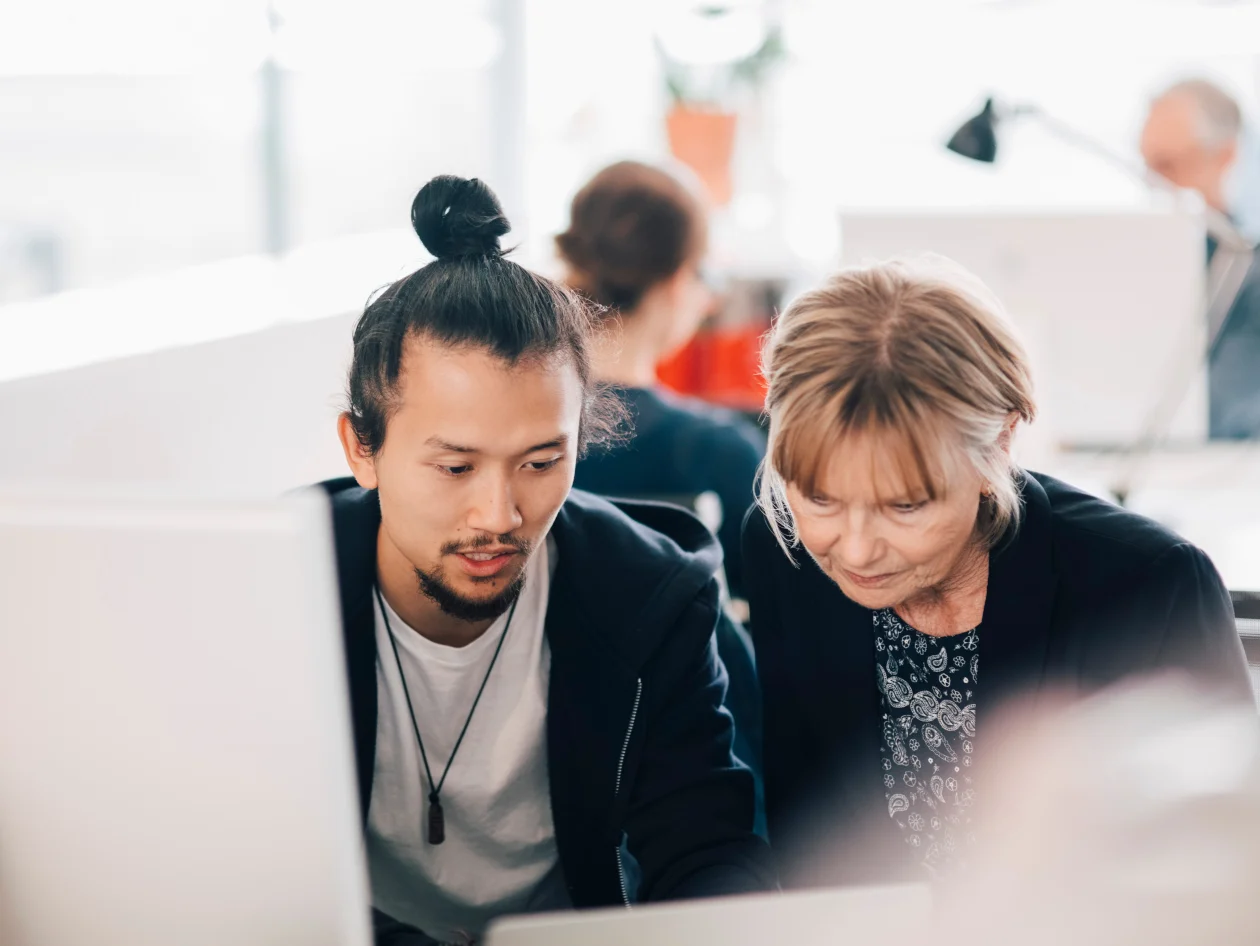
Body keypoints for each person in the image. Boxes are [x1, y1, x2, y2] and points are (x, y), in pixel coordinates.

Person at [322, 174, 775, 945]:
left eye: (540, 462)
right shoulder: (283, 591)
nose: (499, 518)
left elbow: (709, 843)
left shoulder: (649, 595)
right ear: (362, 449)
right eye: (455, 468)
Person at [741, 257, 1254, 888]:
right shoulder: (782, 546)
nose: (854, 550)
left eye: (904, 505)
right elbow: (806, 830)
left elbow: (1224, 864)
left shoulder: (1150, 585)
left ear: (1001, 444)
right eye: (819, 497)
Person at [559, 161, 766, 600]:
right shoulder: (722, 455)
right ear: (678, 278)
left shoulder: (512, 436)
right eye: (705, 276)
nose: (709, 303)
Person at [1140, 78, 1260, 439]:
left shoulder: (1243, 268)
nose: (1152, 185)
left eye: (1169, 166)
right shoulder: (1135, 262)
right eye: (1145, 164)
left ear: (1225, 157)